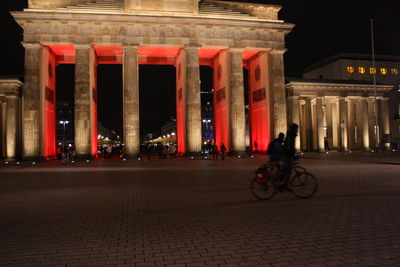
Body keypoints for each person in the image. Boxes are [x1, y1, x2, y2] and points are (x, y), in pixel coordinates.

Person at [278, 124, 299, 192]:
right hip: (286, 155)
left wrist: (294, 154)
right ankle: (283, 185)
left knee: (285, 170)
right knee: (288, 171)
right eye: (296, 129)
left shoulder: (291, 135)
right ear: (294, 129)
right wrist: (293, 155)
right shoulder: (291, 136)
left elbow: (290, 148)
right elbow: (289, 148)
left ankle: (280, 181)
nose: (297, 130)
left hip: (285, 154)